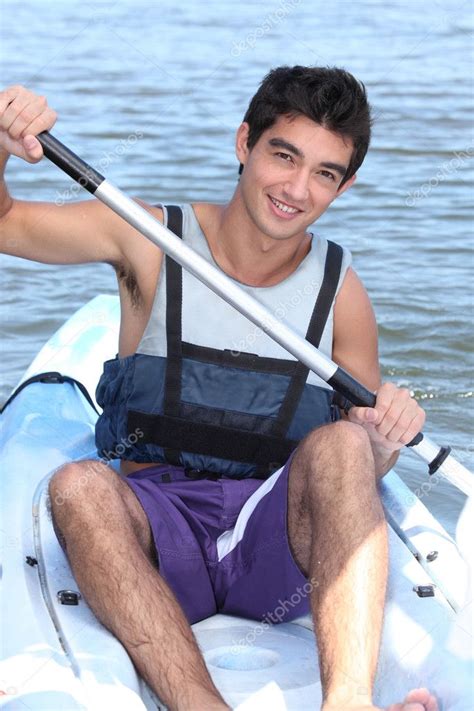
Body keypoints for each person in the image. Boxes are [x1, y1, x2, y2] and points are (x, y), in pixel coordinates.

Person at [0, 67, 438, 711]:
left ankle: (349, 703)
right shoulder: (146, 238)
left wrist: (387, 431)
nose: (295, 189)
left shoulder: (342, 293)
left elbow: (363, 466)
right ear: (244, 143)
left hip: (273, 555)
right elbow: (5, 225)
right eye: (282, 156)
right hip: (155, 547)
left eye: (323, 173)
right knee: (78, 486)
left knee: (346, 441)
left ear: (343, 187)